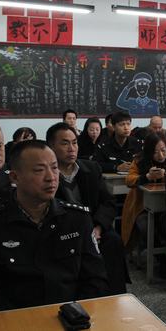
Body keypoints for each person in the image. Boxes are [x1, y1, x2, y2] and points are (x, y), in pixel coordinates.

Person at [0, 140, 108, 312]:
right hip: (14, 318)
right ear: (15, 177)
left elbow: (95, 279)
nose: (51, 177)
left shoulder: (77, 219)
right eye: (39, 170)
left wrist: (75, 313)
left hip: (71, 315)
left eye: (54, 168)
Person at [47, 123, 128, 295]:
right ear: (51, 147)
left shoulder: (91, 168)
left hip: (94, 227)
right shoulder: (47, 175)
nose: (71, 148)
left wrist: (98, 228)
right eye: (65, 143)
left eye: (74, 142)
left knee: (113, 241)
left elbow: (107, 202)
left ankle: (116, 295)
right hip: (63, 232)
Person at [122, 132, 166, 278]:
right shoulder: (139, 160)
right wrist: (147, 176)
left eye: (163, 150)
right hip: (142, 206)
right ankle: (161, 259)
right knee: (145, 225)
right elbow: (129, 180)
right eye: (155, 152)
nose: (160, 155)